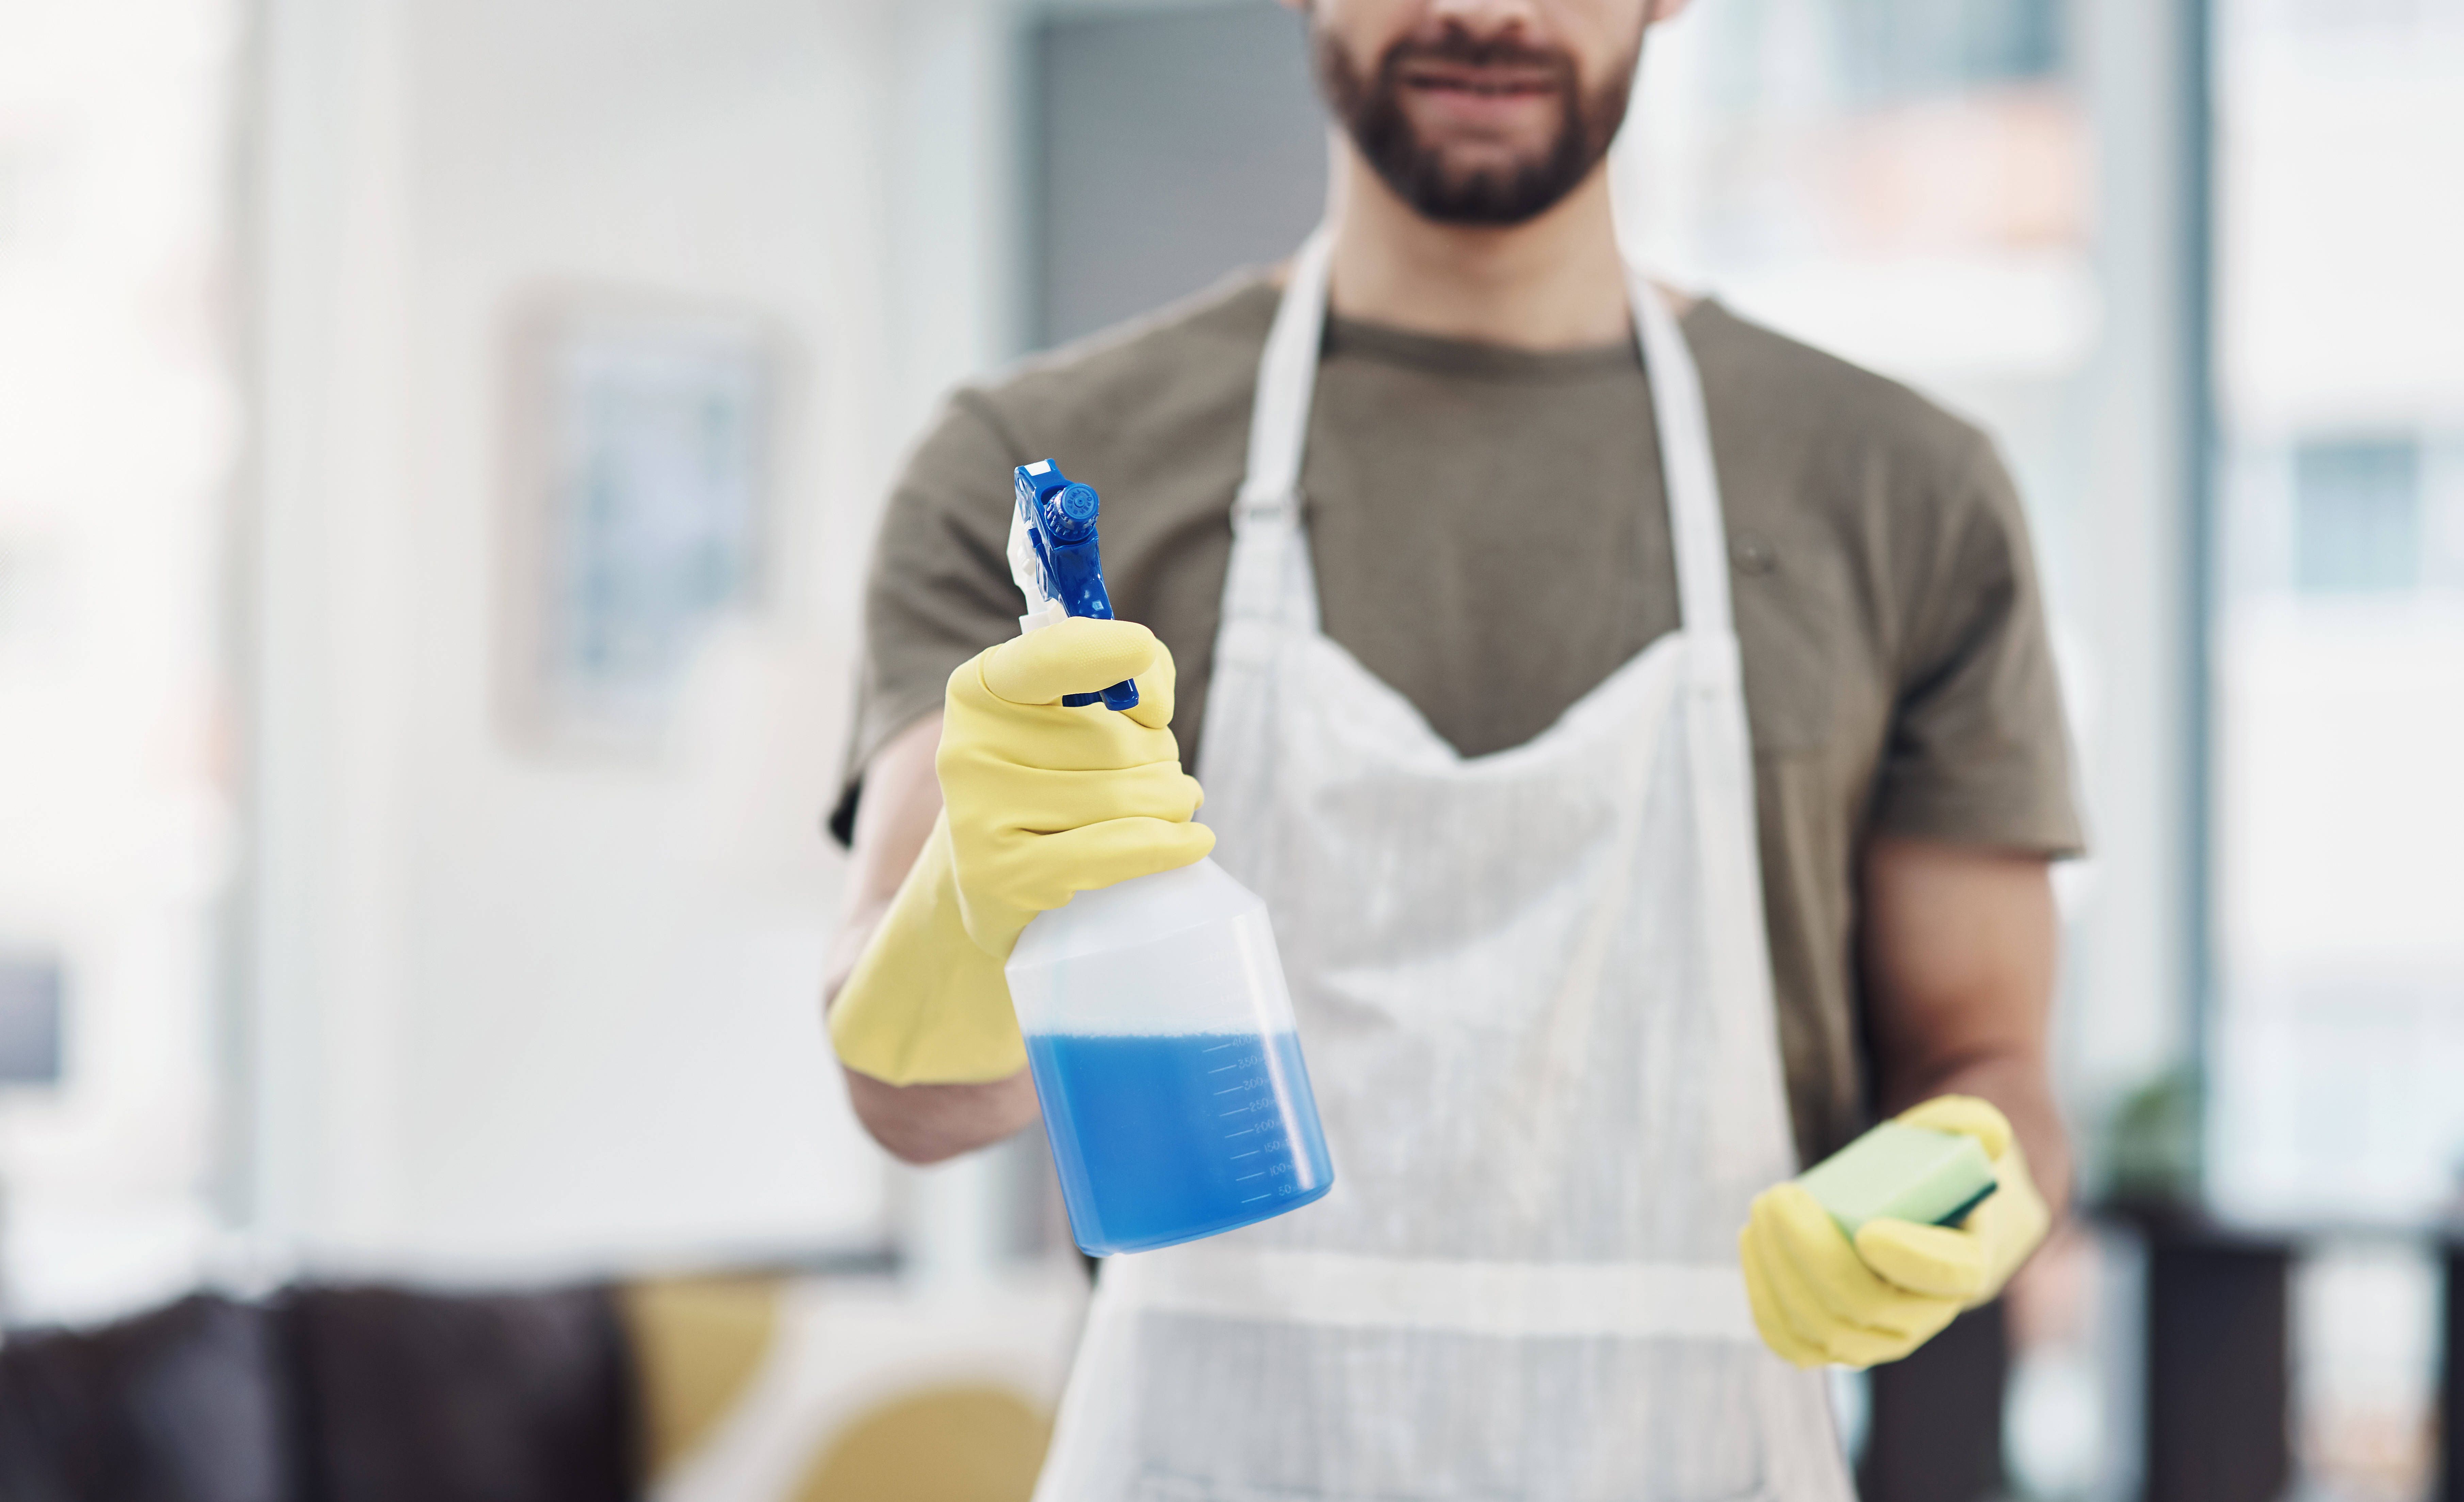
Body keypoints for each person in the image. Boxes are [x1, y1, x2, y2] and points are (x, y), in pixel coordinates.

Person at [822, 0, 2080, 1491]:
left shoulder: (1901, 491)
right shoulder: (1031, 476)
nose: (1487, 10)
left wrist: (1965, 1183)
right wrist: (978, 908)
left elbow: (1988, 1068)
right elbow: (913, 1101)